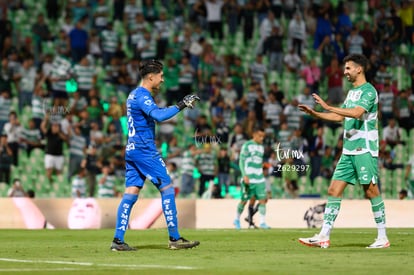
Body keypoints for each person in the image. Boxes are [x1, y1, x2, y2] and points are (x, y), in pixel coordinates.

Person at [298, 53, 390, 249]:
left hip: (364, 148)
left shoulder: (369, 91)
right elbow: (340, 117)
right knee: (333, 190)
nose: (345, 72)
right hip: (348, 151)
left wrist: (327, 105)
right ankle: (324, 235)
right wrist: (316, 113)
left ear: (359, 69)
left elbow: (356, 113)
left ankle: (382, 237)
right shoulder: (351, 93)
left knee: (371, 191)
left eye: (348, 68)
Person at [111, 59, 200, 251]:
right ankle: (175, 238)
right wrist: (182, 104)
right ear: (150, 76)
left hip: (132, 150)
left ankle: (118, 240)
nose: (162, 80)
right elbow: (158, 116)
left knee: (131, 193)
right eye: (161, 76)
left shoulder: (133, 95)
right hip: (144, 150)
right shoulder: (142, 95)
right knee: (167, 188)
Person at [233, 127, 270, 230]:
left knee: (263, 200)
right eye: (260, 136)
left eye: (263, 136)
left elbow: (257, 161)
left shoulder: (261, 147)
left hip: (259, 178)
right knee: (244, 200)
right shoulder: (247, 145)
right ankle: (236, 219)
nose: (262, 138)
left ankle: (262, 222)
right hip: (248, 178)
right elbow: (241, 161)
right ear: (254, 135)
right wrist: (244, 175)